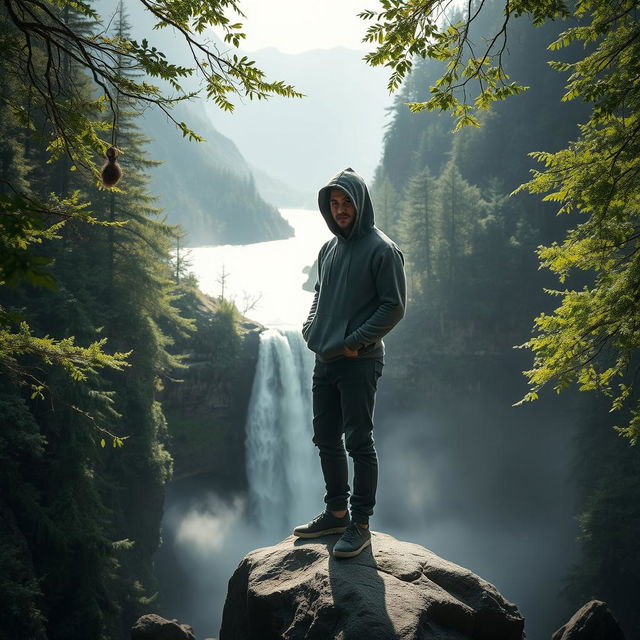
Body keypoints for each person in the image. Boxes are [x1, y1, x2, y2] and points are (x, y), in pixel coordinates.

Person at [293, 167, 406, 558]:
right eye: (334, 204)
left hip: (359, 362)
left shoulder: (383, 250)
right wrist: (310, 328)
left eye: (346, 203)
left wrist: (357, 342)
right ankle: (336, 512)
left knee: (358, 441)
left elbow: (394, 306)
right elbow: (319, 294)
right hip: (325, 359)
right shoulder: (328, 249)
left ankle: (360, 524)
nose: (340, 210)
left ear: (361, 204)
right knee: (325, 437)